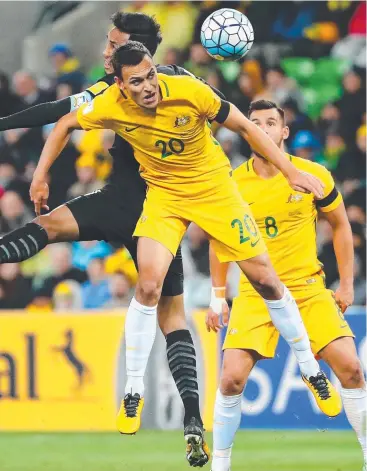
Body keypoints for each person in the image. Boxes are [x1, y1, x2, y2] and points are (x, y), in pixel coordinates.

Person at [30, 42, 339, 464]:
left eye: (151, 74)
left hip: (215, 193)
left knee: (267, 280)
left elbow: (246, 130)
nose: (149, 85)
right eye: (136, 81)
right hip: (165, 199)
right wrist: (40, 177)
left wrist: (291, 171)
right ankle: (134, 390)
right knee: (149, 284)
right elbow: (65, 123)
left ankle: (309, 367)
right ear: (121, 85)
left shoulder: (190, 91)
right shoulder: (109, 105)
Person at [0, 12, 227, 467]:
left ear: (136, 49)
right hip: (137, 206)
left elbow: (56, 112)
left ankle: (189, 419)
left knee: (168, 311)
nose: (106, 51)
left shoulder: (128, 84)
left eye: (113, 43)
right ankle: (192, 421)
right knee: (168, 313)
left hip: (151, 212)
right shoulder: (165, 82)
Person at [207, 100, 366, 471]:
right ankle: (221, 465)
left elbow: (341, 226)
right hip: (255, 292)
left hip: (308, 288)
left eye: (271, 122)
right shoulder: (231, 184)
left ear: (284, 132)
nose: (262, 128)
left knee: (352, 369)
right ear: (246, 132)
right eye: (255, 123)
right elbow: (219, 240)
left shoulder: (312, 174)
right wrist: (218, 296)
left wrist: (345, 285)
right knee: (230, 379)